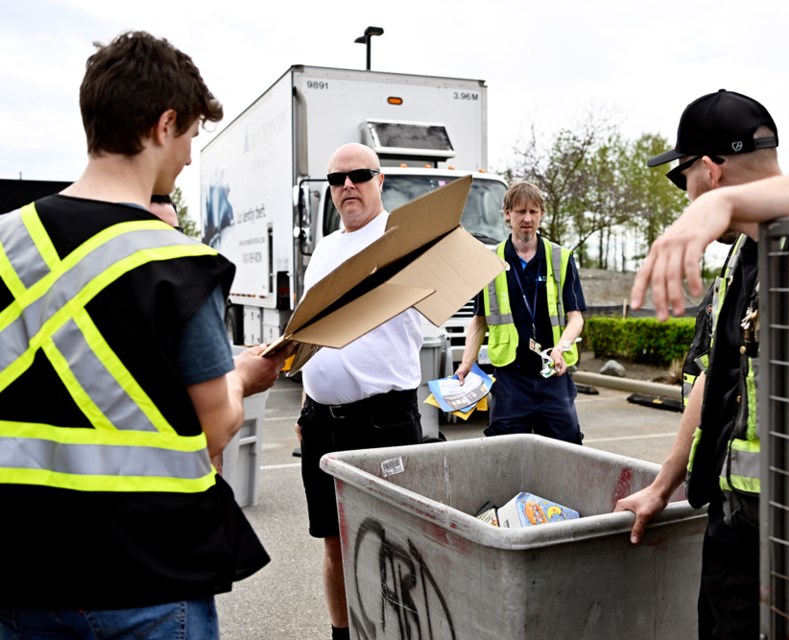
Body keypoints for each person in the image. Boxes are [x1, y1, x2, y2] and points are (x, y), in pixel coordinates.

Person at [0, 31, 292, 639]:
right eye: (189, 136)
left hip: (17, 570)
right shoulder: (177, 262)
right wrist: (242, 375)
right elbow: (215, 423)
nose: (187, 155)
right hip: (145, 573)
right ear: (164, 125)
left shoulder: (6, 242)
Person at [613, 89, 789, 639]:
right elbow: (714, 380)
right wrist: (665, 484)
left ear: (711, 172)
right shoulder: (743, 255)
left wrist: (720, 208)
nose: (684, 193)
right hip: (735, 527)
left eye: (683, 176)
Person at [295, 142, 424, 640]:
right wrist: (306, 406)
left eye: (360, 175)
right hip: (322, 418)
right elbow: (312, 330)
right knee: (332, 542)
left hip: (384, 419)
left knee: (394, 544)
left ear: (380, 181)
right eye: (336, 179)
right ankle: (342, 635)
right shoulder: (325, 249)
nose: (347, 186)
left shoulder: (406, 240)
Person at [455, 181, 588, 444]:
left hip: (553, 376)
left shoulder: (562, 258)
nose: (527, 219)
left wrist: (561, 348)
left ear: (541, 215)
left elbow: (576, 318)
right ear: (507, 214)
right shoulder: (490, 261)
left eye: (533, 212)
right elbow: (479, 321)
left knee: (568, 448)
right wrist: (466, 363)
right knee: (503, 452)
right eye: (519, 212)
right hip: (511, 379)